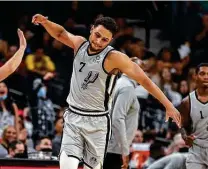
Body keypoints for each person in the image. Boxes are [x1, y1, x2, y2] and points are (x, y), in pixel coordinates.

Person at [32, 14, 181, 169]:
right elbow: (60, 33)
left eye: (104, 39)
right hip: (73, 117)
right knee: (67, 164)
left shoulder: (114, 58)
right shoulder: (79, 44)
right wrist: (45, 22)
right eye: (97, 35)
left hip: (97, 122)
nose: (98, 41)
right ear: (91, 30)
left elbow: (144, 80)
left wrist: (168, 105)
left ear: (110, 41)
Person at [103, 58, 140, 169]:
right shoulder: (127, 87)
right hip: (115, 149)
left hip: (109, 145)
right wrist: (124, 150)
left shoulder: (118, 84)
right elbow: (117, 118)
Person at [178, 63, 208, 169]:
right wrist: (186, 137)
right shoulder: (187, 102)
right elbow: (182, 126)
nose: (206, 77)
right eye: (202, 73)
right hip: (197, 151)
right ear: (195, 76)